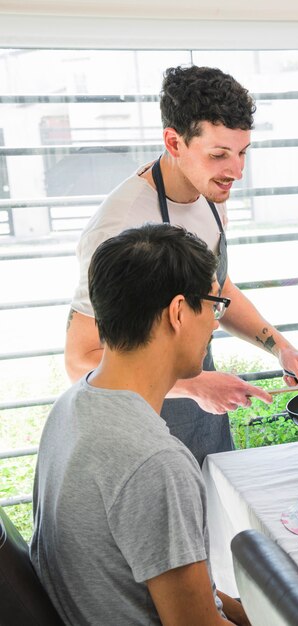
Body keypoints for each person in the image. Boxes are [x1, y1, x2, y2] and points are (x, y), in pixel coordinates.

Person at [64, 65, 298, 464]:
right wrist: (194, 385)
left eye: (242, 153)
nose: (236, 171)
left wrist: (280, 348)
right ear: (174, 141)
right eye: (219, 155)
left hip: (203, 406)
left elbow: (218, 289)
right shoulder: (118, 226)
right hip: (142, 424)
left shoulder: (212, 195)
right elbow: (80, 360)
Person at [32, 223, 250, 626]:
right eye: (213, 306)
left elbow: (184, 585)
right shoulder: (154, 463)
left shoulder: (71, 406)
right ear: (179, 312)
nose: (216, 324)